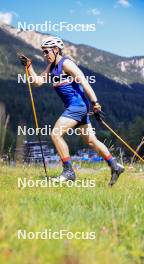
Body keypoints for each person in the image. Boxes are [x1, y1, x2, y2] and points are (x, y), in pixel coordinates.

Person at [19, 36, 124, 186]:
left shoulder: (66, 63)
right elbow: (37, 82)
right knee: (91, 141)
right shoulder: (52, 67)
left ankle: (68, 171)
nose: (44, 55)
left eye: (46, 51)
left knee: (55, 134)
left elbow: (84, 81)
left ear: (56, 50)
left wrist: (96, 103)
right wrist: (29, 67)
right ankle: (115, 166)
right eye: (42, 52)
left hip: (78, 106)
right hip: (76, 107)